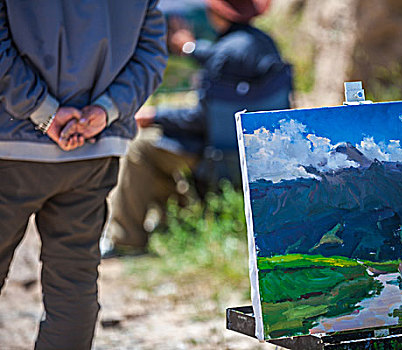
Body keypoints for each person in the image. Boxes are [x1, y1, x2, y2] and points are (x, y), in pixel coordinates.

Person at [0, 1, 167, 349]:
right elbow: (151, 54)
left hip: (10, 147)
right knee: (73, 286)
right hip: (93, 152)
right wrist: (104, 111)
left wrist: (43, 111)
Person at [102, 0, 291, 256]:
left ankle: (127, 240)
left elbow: (201, 119)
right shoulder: (265, 45)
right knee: (159, 144)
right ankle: (173, 220)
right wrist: (189, 48)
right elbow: (220, 63)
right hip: (257, 152)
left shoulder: (225, 54)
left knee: (141, 147)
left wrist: (155, 115)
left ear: (217, 14)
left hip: (219, 154)